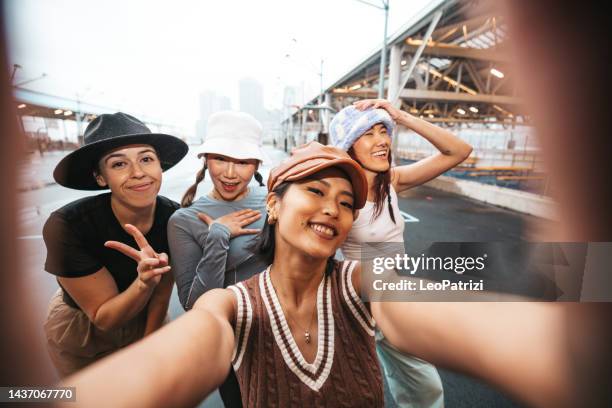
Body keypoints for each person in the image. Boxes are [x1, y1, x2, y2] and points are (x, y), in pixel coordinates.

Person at [329, 99, 473, 407]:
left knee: (418, 385)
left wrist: (403, 117)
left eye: (384, 131)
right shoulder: (340, 196)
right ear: (348, 145)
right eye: (368, 133)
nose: (382, 140)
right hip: (359, 303)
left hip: (391, 294)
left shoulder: (390, 182)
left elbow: (458, 151)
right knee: (361, 390)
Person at [42, 112, 188, 377]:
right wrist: (144, 282)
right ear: (100, 177)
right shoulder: (67, 225)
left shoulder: (176, 219)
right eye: (119, 164)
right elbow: (103, 317)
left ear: (160, 166)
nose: (138, 173)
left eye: (146, 159)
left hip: (147, 316)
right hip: (84, 329)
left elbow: (162, 295)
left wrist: (148, 348)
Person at [167, 111, 269, 406]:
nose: (229, 173)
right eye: (221, 159)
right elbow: (192, 304)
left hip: (283, 331)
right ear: (206, 159)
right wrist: (218, 236)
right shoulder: (183, 220)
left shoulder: (273, 200)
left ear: (257, 164)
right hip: (231, 340)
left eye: (242, 162)